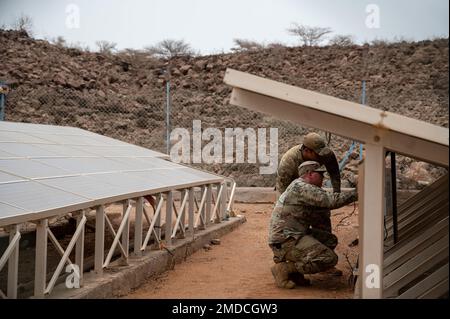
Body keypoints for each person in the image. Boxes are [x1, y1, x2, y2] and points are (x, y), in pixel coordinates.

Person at [268, 161, 358, 289]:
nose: (323, 178)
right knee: (328, 258)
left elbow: (322, 211)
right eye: (320, 174)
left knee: (329, 240)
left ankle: (296, 274)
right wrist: (357, 193)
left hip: (292, 235)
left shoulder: (301, 187)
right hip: (286, 240)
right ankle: (285, 269)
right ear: (309, 174)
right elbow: (331, 200)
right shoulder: (302, 188)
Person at [276, 132, 341, 197]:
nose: (322, 155)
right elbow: (283, 188)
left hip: (311, 185)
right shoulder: (289, 160)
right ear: (307, 151)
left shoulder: (325, 154)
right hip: (292, 184)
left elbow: (334, 174)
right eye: (318, 153)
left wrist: (337, 193)